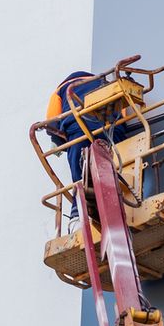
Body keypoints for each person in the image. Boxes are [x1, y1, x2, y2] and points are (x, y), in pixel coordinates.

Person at [46, 70, 105, 217]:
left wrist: (57, 141)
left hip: (79, 130)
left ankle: (78, 212)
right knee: (113, 166)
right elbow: (124, 116)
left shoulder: (60, 90)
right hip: (111, 130)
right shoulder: (106, 83)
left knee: (79, 171)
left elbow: (51, 122)